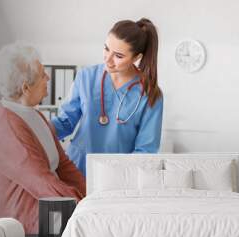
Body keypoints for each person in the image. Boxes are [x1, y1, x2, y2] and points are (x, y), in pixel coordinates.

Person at [0, 43, 86, 234]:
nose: (48, 78)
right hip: (24, 230)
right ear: (26, 88)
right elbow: (44, 184)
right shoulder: (3, 128)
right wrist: (87, 205)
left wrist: (91, 194)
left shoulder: (35, 115)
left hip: (49, 212)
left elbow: (64, 165)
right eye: (43, 75)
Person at [51, 18, 163, 176]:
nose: (108, 59)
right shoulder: (86, 77)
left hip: (118, 176)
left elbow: (146, 149)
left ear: (136, 58)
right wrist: (34, 129)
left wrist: (123, 177)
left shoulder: (150, 94)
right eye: (106, 48)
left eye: (118, 56)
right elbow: (65, 122)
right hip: (75, 169)